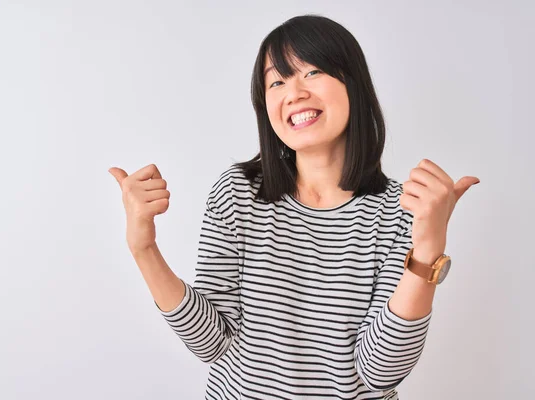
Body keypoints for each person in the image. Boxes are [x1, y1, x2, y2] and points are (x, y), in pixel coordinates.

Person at [109, 14, 480, 400]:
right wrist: (144, 247)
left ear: (354, 84)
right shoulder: (237, 192)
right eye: (277, 81)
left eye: (313, 71)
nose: (295, 92)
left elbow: (379, 372)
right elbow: (212, 343)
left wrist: (428, 249)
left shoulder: (402, 209)